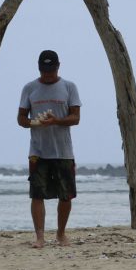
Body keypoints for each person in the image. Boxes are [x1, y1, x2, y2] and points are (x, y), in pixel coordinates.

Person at [17, 50, 81, 248]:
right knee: (37, 194)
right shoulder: (29, 88)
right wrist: (33, 123)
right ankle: (40, 237)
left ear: (58, 66)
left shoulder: (69, 87)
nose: (48, 75)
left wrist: (57, 121)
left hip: (63, 151)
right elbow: (21, 119)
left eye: (51, 70)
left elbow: (76, 118)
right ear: (39, 68)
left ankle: (61, 234)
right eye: (45, 71)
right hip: (38, 151)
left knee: (66, 195)